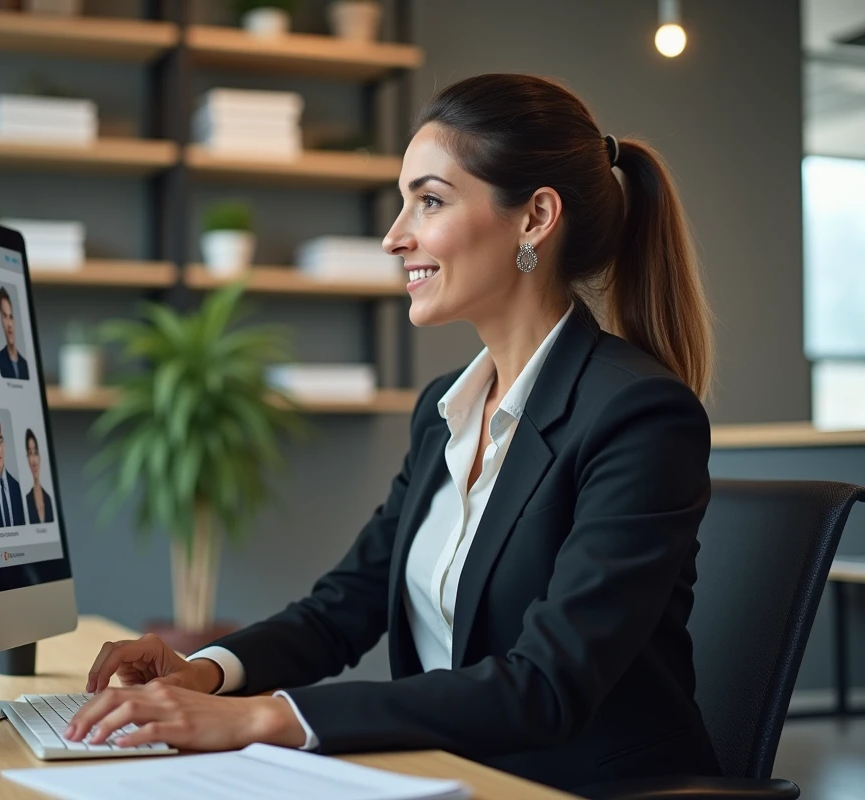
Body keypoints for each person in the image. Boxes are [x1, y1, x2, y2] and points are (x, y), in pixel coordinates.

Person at [67, 74, 721, 792]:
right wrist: (207, 673)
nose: (393, 236)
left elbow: (546, 685)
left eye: (429, 200)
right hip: (452, 776)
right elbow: (341, 608)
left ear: (535, 217)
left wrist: (265, 718)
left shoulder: (638, 415)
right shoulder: (446, 407)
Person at [0, 287, 29, 380]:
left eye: (11, 317)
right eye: (5, 316)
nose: (9, 324)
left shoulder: (25, 365)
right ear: (1, 320)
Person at [24, 429, 54, 524]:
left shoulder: (48, 499)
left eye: (35, 453)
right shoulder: (26, 500)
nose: (33, 461)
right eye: (29, 454)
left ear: (40, 457)